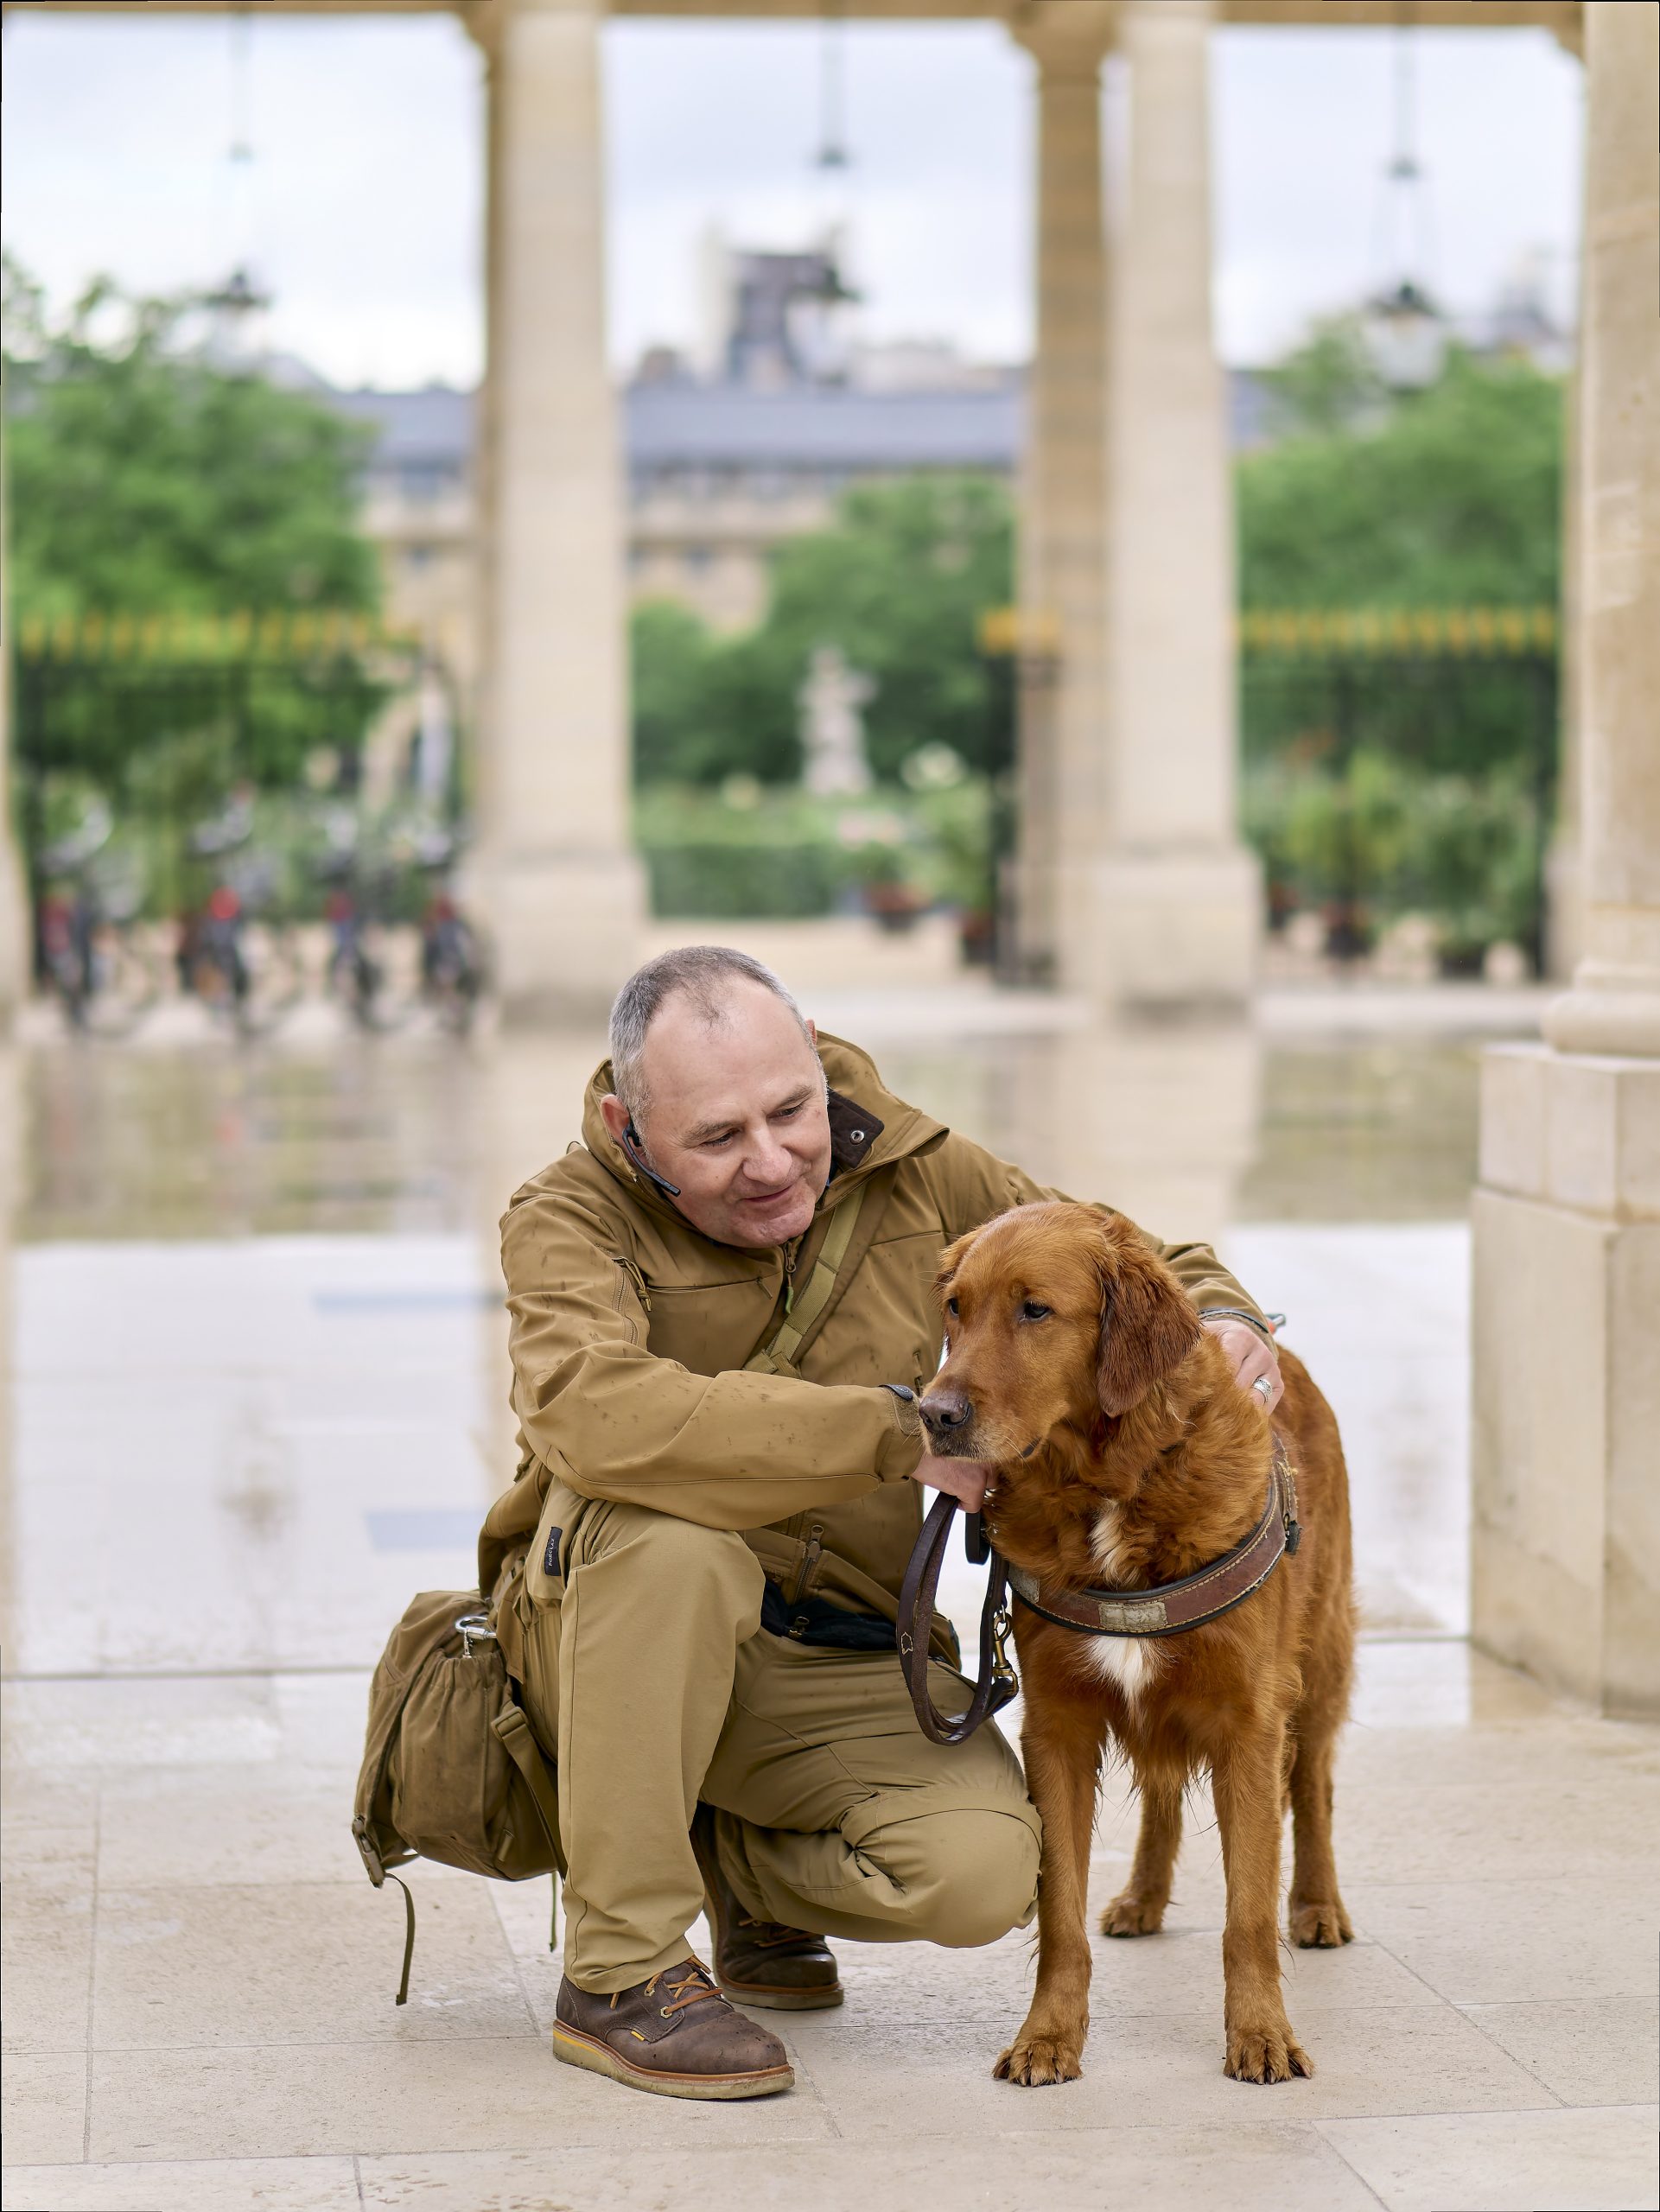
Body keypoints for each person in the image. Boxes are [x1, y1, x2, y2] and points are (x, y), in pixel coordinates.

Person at [477, 945, 1282, 2102]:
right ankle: (621, 1971)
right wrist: (897, 1435)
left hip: (827, 1645)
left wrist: (1223, 1316)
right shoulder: (563, 1218)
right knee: (673, 1544)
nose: (769, 1160)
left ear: (818, 1065)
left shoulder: (918, 1169)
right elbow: (595, 1416)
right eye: (716, 1138)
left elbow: (1135, 1256)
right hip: (613, 1635)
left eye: (790, 1110)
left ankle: (736, 1862)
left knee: (976, 1876)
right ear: (628, 1123)